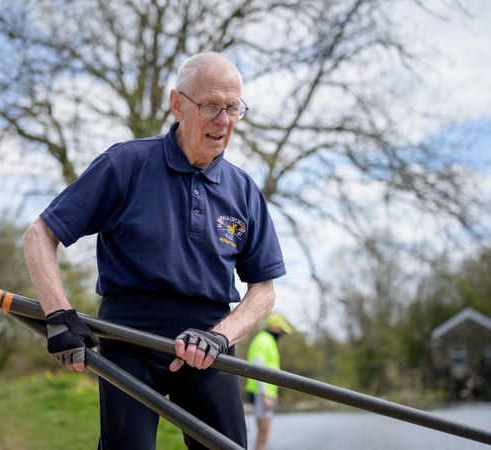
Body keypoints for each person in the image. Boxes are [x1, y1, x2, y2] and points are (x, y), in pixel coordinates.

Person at [23, 51, 286, 450]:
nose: (223, 120)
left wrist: (219, 336)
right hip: (129, 337)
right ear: (176, 103)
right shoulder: (125, 164)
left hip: (208, 344)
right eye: (211, 105)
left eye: (232, 108)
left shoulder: (244, 190)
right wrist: (58, 314)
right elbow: (40, 234)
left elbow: (263, 289)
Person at [245, 312, 294, 450]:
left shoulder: (268, 340)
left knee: (264, 436)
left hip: (266, 394)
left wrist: (273, 394)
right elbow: (257, 367)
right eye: (282, 330)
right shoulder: (263, 340)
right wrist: (265, 395)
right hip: (260, 394)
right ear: (275, 328)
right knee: (263, 436)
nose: (282, 333)